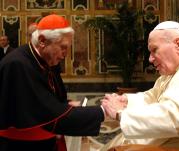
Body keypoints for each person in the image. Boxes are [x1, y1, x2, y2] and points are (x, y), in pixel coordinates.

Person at [101, 21, 179, 150]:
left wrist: (121, 114)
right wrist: (126, 101)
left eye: (154, 50)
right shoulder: (176, 68)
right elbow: (154, 96)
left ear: (178, 44)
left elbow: (177, 116)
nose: (150, 59)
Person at [0, 14, 106, 151]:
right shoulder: (17, 65)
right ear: (43, 41)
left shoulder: (47, 59)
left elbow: (47, 99)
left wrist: (65, 104)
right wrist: (102, 111)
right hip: (21, 146)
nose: (66, 54)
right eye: (63, 47)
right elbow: (44, 114)